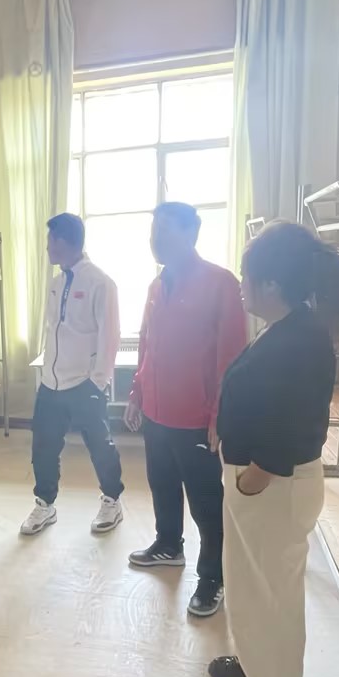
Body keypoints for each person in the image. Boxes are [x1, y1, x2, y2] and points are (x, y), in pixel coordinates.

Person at [208, 220, 339, 677]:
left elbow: (297, 422)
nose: (241, 287)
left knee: (273, 594)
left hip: (272, 485)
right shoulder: (289, 328)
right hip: (262, 484)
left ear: (271, 283)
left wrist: (255, 476)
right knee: (253, 586)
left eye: (247, 277)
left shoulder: (303, 340)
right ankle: (256, 664)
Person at [125, 202, 247, 618]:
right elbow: (146, 346)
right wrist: (137, 392)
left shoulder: (220, 284)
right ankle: (168, 545)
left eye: (165, 231)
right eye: (153, 232)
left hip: (196, 417)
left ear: (191, 233)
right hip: (156, 413)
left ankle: (213, 576)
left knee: (206, 502)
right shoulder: (156, 286)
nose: (156, 240)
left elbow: (231, 358)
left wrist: (219, 415)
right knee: (161, 484)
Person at [21, 213, 124, 537]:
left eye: (50, 240)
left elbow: (110, 335)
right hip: (50, 383)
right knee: (43, 447)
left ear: (63, 241)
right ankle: (45, 504)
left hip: (84, 383)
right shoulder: (56, 284)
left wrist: (98, 381)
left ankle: (112, 500)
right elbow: (55, 330)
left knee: (100, 445)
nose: (47, 247)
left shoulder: (100, 282)